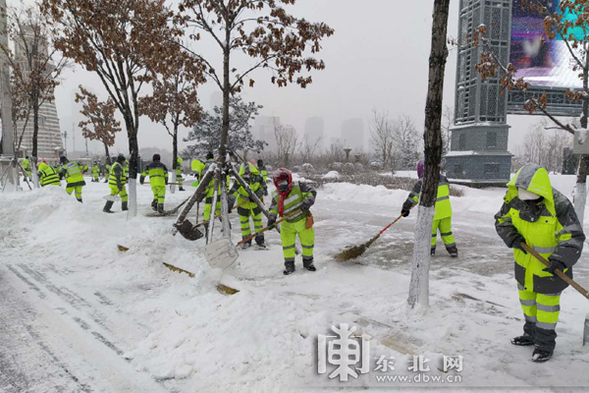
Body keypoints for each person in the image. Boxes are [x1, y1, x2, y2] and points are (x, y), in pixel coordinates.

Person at [495, 163, 584, 363]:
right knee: (528, 304)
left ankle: (545, 344)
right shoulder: (514, 201)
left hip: (550, 270)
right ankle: (531, 334)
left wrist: (560, 261)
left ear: (541, 193)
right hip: (524, 266)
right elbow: (502, 221)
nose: (530, 205)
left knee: (546, 309)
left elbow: (574, 237)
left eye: (534, 202)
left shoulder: (559, 206)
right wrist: (512, 237)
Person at [401, 159, 457, 257]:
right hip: (446, 211)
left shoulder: (422, 182)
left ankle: (429, 252)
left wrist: (406, 208)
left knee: (430, 234)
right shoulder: (444, 179)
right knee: (447, 232)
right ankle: (452, 250)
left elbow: (413, 197)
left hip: (432, 212)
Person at [268, 168, 317, 275]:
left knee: (307, 242)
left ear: (289, 180)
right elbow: (273, 207)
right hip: (287, 224)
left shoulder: (299, 186)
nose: (282, 184)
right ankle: (289, 265)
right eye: (279, 182)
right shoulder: (276, 194)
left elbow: (311, 192)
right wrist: (272, 217)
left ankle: (308, 262)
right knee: (287, 245)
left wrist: (307, 202)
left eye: (284, 181)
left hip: (303, 221)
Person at [228, 163, 266, 249]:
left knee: (258, 223)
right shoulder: (239, 180)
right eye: (245, 173)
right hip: (243, 205)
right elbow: (232, 193)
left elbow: (264, 188)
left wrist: (256, 195)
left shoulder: (258, 178)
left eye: (248, 173)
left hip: (255, 205)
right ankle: (246, 240)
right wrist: (229, 205)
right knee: (244, 225)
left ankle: (260, 240)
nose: (247, 175)